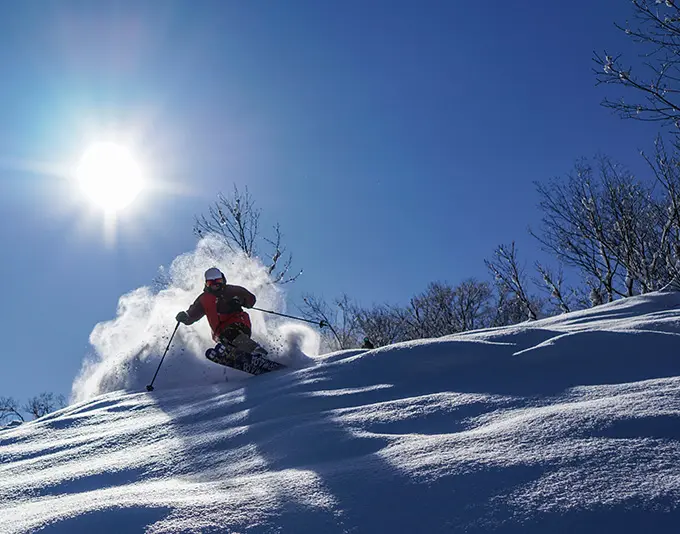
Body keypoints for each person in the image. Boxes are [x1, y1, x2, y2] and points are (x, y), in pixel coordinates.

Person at [175, 267, 257, 350]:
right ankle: (235, 354)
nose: (215, 285)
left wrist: (241, 300)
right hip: (220, 332)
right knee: (226, 336)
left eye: (218, 282)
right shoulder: (205, 299)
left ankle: (254, 350)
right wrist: (185, 317)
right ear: (206, 284)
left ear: (222, 280)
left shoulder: (232, 290)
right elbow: (193, 313)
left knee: (232, 333)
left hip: (239, 322)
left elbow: (251, 299)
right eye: (211, 283)